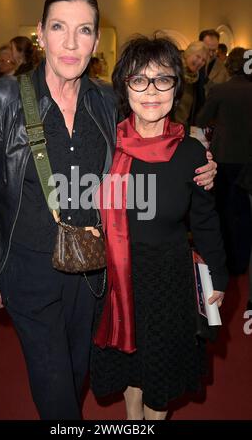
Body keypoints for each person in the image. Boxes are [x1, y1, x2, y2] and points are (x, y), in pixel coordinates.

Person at [0, 0, 216, 420]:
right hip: (28, 269)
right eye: (59, 27)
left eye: (83, 30)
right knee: (56, 389)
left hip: (92, 272)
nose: (70, 42)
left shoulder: (103, 100)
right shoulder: (5, 98)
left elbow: (148, 135)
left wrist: (200, 160)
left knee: (78, 370)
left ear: (96, 41)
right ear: (41, 34)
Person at [90, 35, 228, 421]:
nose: (151, 91)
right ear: (124, 87)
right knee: (132, 373)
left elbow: (204, 220)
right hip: (116, 278)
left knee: (159, 381)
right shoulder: (103, 145)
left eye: (162, 79)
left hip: (169, 281)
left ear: (176, 86)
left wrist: (217, 275)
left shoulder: (192, 152)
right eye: (139, 79)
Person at [197, 47, 252, 298]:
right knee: (243, 214)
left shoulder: (221, 90)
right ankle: (242, 263)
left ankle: (226, 262)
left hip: (224, 158)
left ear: (230, 66)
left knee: (221, 211)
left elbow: (202, 118)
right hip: (248, 162)